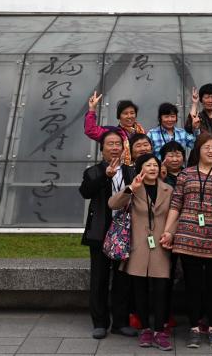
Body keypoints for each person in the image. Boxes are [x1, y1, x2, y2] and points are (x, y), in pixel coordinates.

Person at [160, 133, 212, 348]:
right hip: (188, 238)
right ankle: (194, 328)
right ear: (198, 150)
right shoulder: (185, 175)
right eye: (206, 147)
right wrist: (169, 231)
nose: (210, 151)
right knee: (193, 286)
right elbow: (176, 204)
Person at [108, 153, 174, 351]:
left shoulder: (168, 189)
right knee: (140, 291)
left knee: (161, 290)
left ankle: (160, 331)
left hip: (161, 246)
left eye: (155, 165)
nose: (152, 168)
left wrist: (170, 232)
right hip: (138, 246)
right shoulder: (134, 188)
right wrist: (130, 189)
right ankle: (145, 329)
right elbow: (112, 204)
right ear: (140, 169)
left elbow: (175, 213)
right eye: (148, 165)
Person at [79, 130, 136, 339]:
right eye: (109, 144)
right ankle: (100, 322)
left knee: (122, 279)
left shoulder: (131, 171)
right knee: (100, 278)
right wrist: (106, 176)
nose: (114, 147)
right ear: (102, 149)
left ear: (123, 148)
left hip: (125, 232)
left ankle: (120, 322)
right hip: (101, 231)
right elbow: (85, 192)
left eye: (117, 144)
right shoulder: (93, 171)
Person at [85, 92, 147, 164]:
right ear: (119, 116)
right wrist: (92, 109)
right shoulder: (113, 132)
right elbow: (91, 130)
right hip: (117, 170)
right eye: (125, 113)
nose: (129, 116)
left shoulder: (142, 133)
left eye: (132, 113)